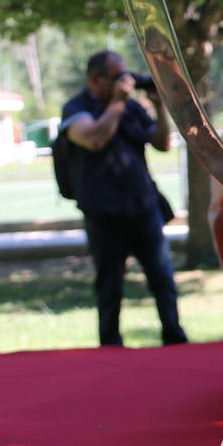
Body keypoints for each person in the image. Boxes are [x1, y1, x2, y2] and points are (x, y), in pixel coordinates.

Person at [61, 50, 187, 347]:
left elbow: (162, 143)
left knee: (163, 281)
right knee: (110, 287)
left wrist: (159, 108)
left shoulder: (130, 108)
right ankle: (110, 346)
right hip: (104, 214)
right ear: (96, 79)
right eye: (117, 77)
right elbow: (94, 138)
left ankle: (175, 339)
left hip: (142, 208)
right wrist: (117, 101)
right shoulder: (77, 108)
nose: (126, 82)